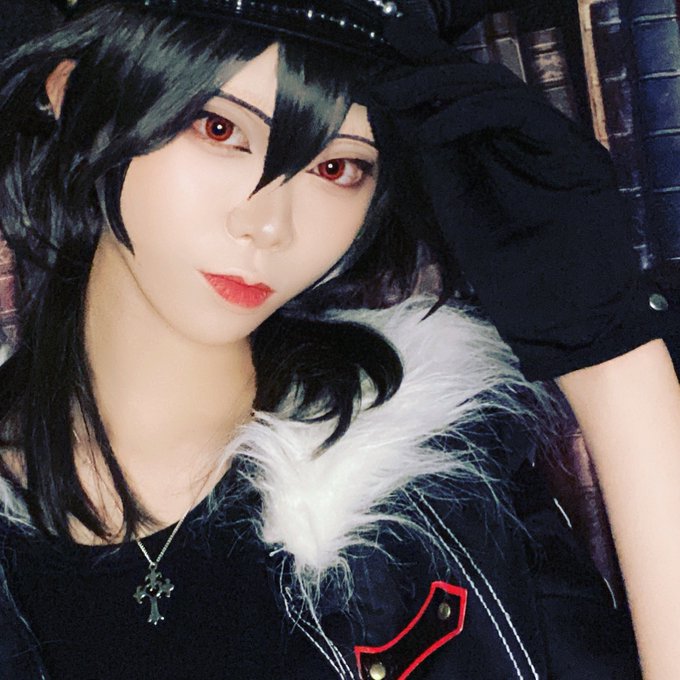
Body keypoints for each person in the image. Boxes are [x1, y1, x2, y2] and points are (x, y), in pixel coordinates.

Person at [0, 0, 657, 678]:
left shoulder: (443, 493)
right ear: (74, 95)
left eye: (337, 168)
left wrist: (612, 361)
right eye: (219, 129)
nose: (269, 224)